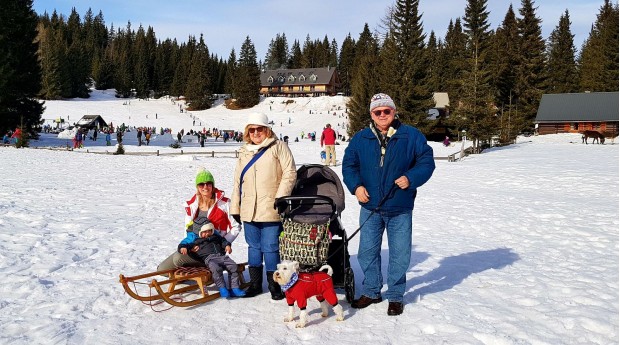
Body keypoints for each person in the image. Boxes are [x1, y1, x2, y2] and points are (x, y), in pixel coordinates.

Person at [342, 93, 435, 316]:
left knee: (400, 254)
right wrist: (356, 187)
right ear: (371, 114)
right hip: (370, 207)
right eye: (378, 111)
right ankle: (372, 291)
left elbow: (426, 162)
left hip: (400, 207)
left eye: (387, 111)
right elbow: (349, 165)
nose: (382, 115)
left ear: (394, 112)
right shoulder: (361, 138)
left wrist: (411, 178)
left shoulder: (411, 135)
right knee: (366, 252)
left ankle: (395, 295)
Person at [231, 112, 296, 300]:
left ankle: (275, 286)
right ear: (247, 132)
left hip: (271, 206)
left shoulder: (279, 147)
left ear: (267, 130)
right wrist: (235, 208)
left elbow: (289, 172)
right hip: (249, 208)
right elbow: (237, 181)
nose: (256, 133)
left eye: (260, 129)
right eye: (252, 130)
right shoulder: (244, 151)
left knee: (270, 247)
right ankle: (255, 284)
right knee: (253, 247)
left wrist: (281, 197)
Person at [157, 168, 241, 271]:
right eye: (201, 184)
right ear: (197, 187)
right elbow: (188, 229)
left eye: (208, 183)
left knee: (178, 259)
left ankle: (210, 267)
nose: (205, 187)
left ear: (213, 185)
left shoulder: (225, 204)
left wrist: (222, 244)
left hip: (212, 249)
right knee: (161, 269)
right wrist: (189, 246)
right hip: (195, 247)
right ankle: (190, 275)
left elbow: (236, 226)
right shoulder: (193, 205)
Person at [177, 222, 246, 298]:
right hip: (209, 259)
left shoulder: (215, 237)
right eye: (205, 232)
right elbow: (185, 244)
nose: (207, 233)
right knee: (216, 269)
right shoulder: (196, 241)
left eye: (209, 231)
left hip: (221, 256)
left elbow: (223, 241)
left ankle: (235, 288)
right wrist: (183, 247)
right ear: (200, 232)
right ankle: (222, 288)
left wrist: (227, 245)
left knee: (233, 266)